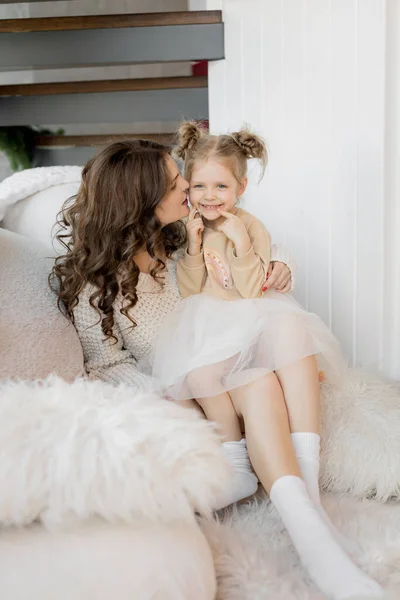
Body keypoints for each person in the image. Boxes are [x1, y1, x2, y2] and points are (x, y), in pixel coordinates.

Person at [51, 137, 384, 600]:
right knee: (251, 381)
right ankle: (315, 537)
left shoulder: (182, 234)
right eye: (174, 182)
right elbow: (108, 365)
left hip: (230, 363)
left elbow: (254, 236)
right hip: (187, 388)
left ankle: (310, 530)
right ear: (141, 202)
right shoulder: (94, 283)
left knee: (263, 377)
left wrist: (282, 263)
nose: (187, 185)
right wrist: (177, 389)